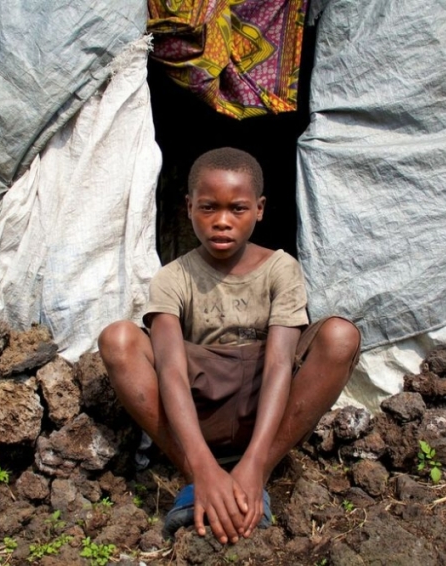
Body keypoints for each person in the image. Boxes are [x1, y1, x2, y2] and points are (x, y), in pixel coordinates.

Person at [98, 147, 361, 545]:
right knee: (118, 338)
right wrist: (201, 466)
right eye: (208, 208)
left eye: (237, 209)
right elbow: (169, 368)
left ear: (259, 209)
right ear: (188, 208)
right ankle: (199, 479)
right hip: (201, 413)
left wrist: (255, 462)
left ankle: (255, 475)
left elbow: (277, 366)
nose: (221, 221)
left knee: (341, 336)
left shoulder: (280, 268)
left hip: (265, 410)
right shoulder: (173, 277)